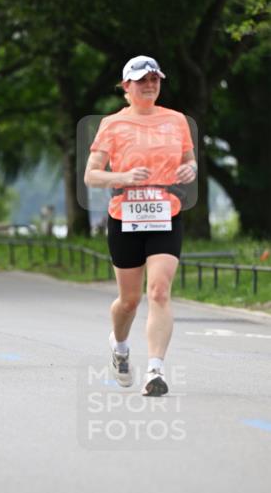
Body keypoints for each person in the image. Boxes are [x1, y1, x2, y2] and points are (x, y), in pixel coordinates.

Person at [84, 55, 197, 396]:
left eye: (155, 79)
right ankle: (119, 346)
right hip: (125, 216)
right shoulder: (112, 124)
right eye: (142, 80)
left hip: (165, 213)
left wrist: (190, 170)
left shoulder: (176, 120)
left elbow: (190, 162)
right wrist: (123, 177)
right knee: (129, 301)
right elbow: (91, 175)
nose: (150, 85)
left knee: (160, 291)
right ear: (126, 87)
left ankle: (155, 370)